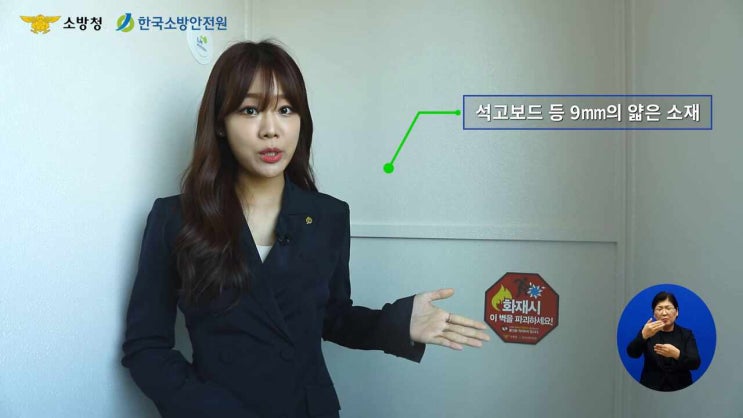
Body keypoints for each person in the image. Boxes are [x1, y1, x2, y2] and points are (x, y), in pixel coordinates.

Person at [121, 40, 490, 418]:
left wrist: (396, 323)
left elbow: (333, 317)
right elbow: (145, 348)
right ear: (219, 123)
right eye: (250, 110)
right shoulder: (176, 218)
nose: (271, 130)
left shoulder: (328, 216)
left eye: (285, 109)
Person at [626, 291, 701, 391]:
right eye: (659, 309)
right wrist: (643, 336)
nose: (664, 313)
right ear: (654, 313)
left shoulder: (686, 334)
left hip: (681, 388)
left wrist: (676, 354)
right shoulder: (647, 330)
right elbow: (632, 353)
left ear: (677, 311)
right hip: (651, 388)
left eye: (668, 308)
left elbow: (695, 363)